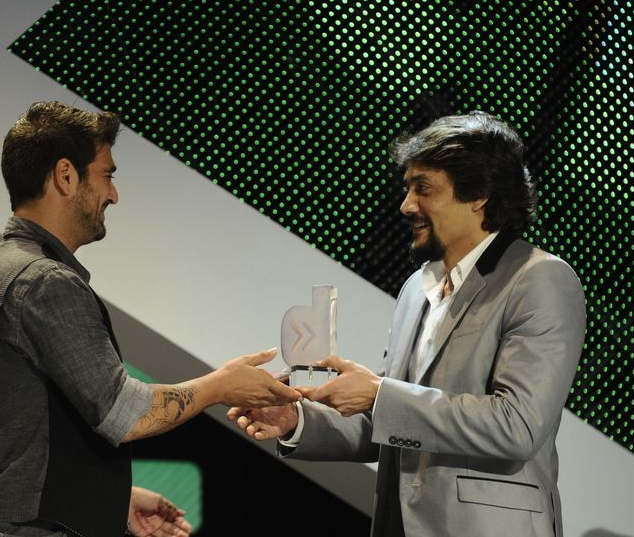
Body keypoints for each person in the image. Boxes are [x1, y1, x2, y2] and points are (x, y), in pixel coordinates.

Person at [0, 101, 301, 537]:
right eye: (107, 175)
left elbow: (21, 437)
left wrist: (109, 500)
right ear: (65, 175)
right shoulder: (42, 282)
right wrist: (220, 385)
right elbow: (124, 412)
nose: (113, 195)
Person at [230, 111, 586, 537]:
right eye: (407, 188)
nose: (406, 205)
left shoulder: (540, 278)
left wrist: (379, 394)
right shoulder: (418, 287)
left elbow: (517, 426)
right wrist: (298, 421)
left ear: (479, 195)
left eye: (424, 188)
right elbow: (393, 421)